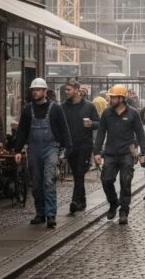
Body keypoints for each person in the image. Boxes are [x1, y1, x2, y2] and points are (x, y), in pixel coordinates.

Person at [13, 78, 71, 228]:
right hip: (34, 149)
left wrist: (67, 148)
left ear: (45, 91)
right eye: (33, 90)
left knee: (49, 180)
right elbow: (22, 130)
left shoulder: (55, 109)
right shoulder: (27, 109)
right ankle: (40, 213)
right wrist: (18, 150)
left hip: (51, 147)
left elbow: (64, 129)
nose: (35, 92)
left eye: (38, 90)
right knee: (36, 183)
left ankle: (51, 214)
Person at [94, 85, 145, 225]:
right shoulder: (106, 113)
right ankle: (113, 203)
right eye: (110, 97)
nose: (110, 99)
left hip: (126, 154)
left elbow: (141, 134)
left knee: (125, 182)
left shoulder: (133, 113)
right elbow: (100, 133)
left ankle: (124, 211)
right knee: (106, 180)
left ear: (121, 98)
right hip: (110, 154)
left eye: (113, 97)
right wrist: (97, 152)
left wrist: (144, 153)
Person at [60, 80, 100, 214]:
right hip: (70, 145)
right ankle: (82, 200)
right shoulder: (63, 107)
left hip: (85, 144)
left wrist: (91, 124)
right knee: (78, 174)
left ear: (76, 90)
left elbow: (99, 123)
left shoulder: (89, 106)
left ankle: (75, 201)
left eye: (68, 90)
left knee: (79, 171)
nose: (66, 92)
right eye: (66, 90)